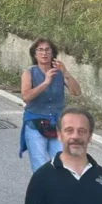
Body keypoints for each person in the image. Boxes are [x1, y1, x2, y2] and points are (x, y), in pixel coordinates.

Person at [20, 37, 82, 172]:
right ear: (34, 54)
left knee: (61, 165)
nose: (44, 53)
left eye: (47, 50)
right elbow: (26, 97)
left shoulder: (59, 72)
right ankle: (42, 192)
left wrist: (66, 73)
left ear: (53, 53)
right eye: (40, 50)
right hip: (35, 124)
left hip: (57, 124)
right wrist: (45, 83)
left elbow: (76, 92)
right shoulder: (29, 73)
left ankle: (57, 192)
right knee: (41, 167)